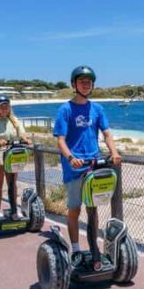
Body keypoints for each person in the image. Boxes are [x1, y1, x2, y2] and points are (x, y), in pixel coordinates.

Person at [52, 65, 121, 261]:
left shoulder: (97, 108)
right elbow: (60, 140)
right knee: (75, 208)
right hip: (75, 168)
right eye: (82, 81)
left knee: (93, 208)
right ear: (74, 84)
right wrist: (71, 158)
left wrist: (114, 152)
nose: (85, 85)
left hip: (94, 165)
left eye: (88, 82)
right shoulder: (65, 109)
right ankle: (75, 249)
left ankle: (95, 249)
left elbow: (106, 133)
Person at [0, 95, 31, 220]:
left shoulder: (14, 120)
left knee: (12, 184)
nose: (4, 108)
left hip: (12, 155)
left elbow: (21, 132)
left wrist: (25, 139)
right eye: (1, 106)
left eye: (6, 105)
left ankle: (14, 210)